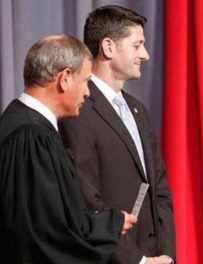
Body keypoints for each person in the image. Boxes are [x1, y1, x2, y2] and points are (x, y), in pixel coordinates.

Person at [0, 35, 137, 263]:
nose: (88, 93)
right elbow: (46, 237)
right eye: (85, 81)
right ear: (64, 79)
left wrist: (108, 223)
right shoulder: (32, 137)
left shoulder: (19, 123)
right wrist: (110, 226)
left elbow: (53, 218)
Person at [59, 5, 175, 264]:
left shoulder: (138, 110)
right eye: (137, 45)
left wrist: (166, 254)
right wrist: (138, 261)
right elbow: (87, 199)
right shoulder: (78, 109)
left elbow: (159, 188)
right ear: (109, 47)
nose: (145, 55)